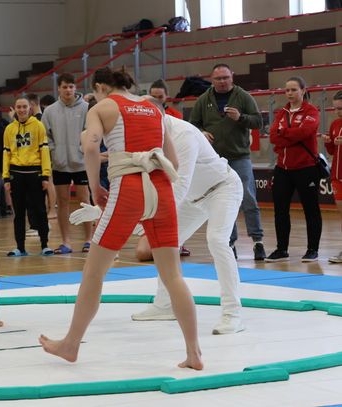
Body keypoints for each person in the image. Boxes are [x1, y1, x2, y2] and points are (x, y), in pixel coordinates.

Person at [39, 67, 203, 370]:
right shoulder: (154, 107)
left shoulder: (102, 107)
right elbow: (174, 161)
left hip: (128, 188)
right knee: (173, 275)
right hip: (162, 189)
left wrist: (94, 186)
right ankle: (194, 353)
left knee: (94, 272)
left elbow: (90, 147)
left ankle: (71, 344)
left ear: (101, 87)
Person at [131, 108, 245, 334]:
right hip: (192, 198)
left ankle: (232, 314)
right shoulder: (148, 134)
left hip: (222, 189)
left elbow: (179, 185)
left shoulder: (184, 135)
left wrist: (146, 217)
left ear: (160, 117)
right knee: (165, 243)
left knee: (217, 240)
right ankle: (165, 304)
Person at [189, 63, 265, 260]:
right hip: (214, 161)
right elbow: (192, 125)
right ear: (211, 80)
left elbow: (258, 121)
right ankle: (230, 244)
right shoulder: (203, 99)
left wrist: (240, 118)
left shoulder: (243, 96)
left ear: (232, 76)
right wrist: (201, 132)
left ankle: (257, 241)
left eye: (225, 78)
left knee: (248, 198)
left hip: (239, 157)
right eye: (218, 79)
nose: (222, 82)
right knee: (224, 202)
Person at [267, 76, 321, 262]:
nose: (289, 93)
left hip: (306, 168)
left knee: (311, 209)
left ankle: (312, 249)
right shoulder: (281, 113)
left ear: (303, 91)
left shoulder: (311, 111)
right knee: (280, 210)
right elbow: (273, 137)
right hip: (282, 168)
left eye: (293, 90)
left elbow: (305, 132)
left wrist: (283, 134)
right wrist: (289, 136)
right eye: (287, 90)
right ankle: (281, 249)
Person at [42, 73, 92, 254]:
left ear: (75, 87)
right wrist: (54, 151)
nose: (68, 90)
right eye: (65, 87)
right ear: (59, 89)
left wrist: (82, 149)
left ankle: (89, 240)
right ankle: (66, 242)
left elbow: (91, 132)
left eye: (71, 86)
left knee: (84, 201)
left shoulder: (86, 108)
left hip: (81, 164)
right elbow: (45, 136)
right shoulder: (49, 111)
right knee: (62, 202)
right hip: (60, 164)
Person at [2, 97, 53, 256]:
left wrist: (45, 175)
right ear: (15, 109)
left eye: (24, 106)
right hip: (16, 174)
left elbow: (44, 150)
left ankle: (45, 245)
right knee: (19, 213)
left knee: (40, 210)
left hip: (35, 174)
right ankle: (20, 247)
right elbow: (6, 153)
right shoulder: (9, 129)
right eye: (19, 107)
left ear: (30, 108)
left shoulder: (38, 125)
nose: (22, 110)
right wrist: (6, 177)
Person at [149, 79, 190, 256]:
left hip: (174, 161)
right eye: (153, 96)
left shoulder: (175, 116)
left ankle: (179, 241)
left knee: (177, 202)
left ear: (166, 96)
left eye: (160, 97)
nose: (157, 100)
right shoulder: (146, 115)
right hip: (155, 162)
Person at [324, 90, 342, 263]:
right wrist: (328, 143)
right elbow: (332, 151)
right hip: (337, 175)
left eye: (341, 108)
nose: (338, 112)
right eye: (336, 108)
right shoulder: (335, 124)